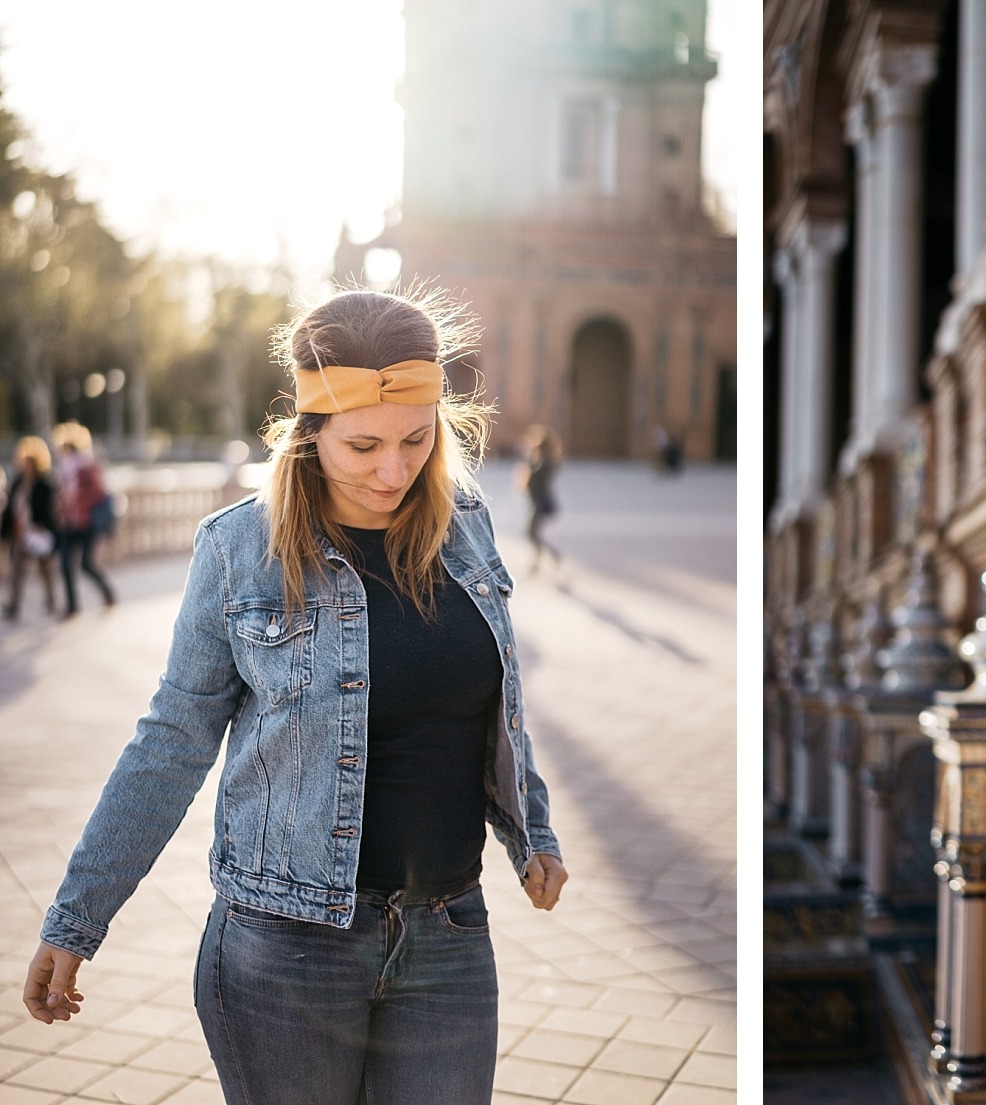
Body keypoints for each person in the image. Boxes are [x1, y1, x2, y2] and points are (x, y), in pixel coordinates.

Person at [24, 289, 568, 1105]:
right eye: (363, 444)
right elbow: (170, 742)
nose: (394, 469)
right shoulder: (238, 550)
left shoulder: (468, 524)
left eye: (417, 439)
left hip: (449, 932)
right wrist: (77, 917)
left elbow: (494, 709)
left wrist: (533, 830)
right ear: (309, 432)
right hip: (286, 948)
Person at [52, 422, 116, 617]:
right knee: (64, 563)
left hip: (86, 521)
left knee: (86, 564)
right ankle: (72, 605)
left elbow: (97, 493)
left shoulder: (87, 465)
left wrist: (77, 501)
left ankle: (107, 592)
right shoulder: (64, 466)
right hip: (69, 522)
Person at [1, 436, 60, 619]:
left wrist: (45, 527)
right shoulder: (18, 482)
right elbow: (10, 509)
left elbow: (50, 511)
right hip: (21, 533)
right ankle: (14, 605)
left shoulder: (44, 485)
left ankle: (51, 601)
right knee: (17, 571)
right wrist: (4, 533)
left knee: (45, 571)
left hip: (38, 533)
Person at [519, 423, 563, 575]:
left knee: (531, 533)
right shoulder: (539, 459)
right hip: (537, 501)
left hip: (541, 503)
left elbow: (534, 476)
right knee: (533, 533)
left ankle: (551, 556)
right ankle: (539, 562)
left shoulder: (546, 462)